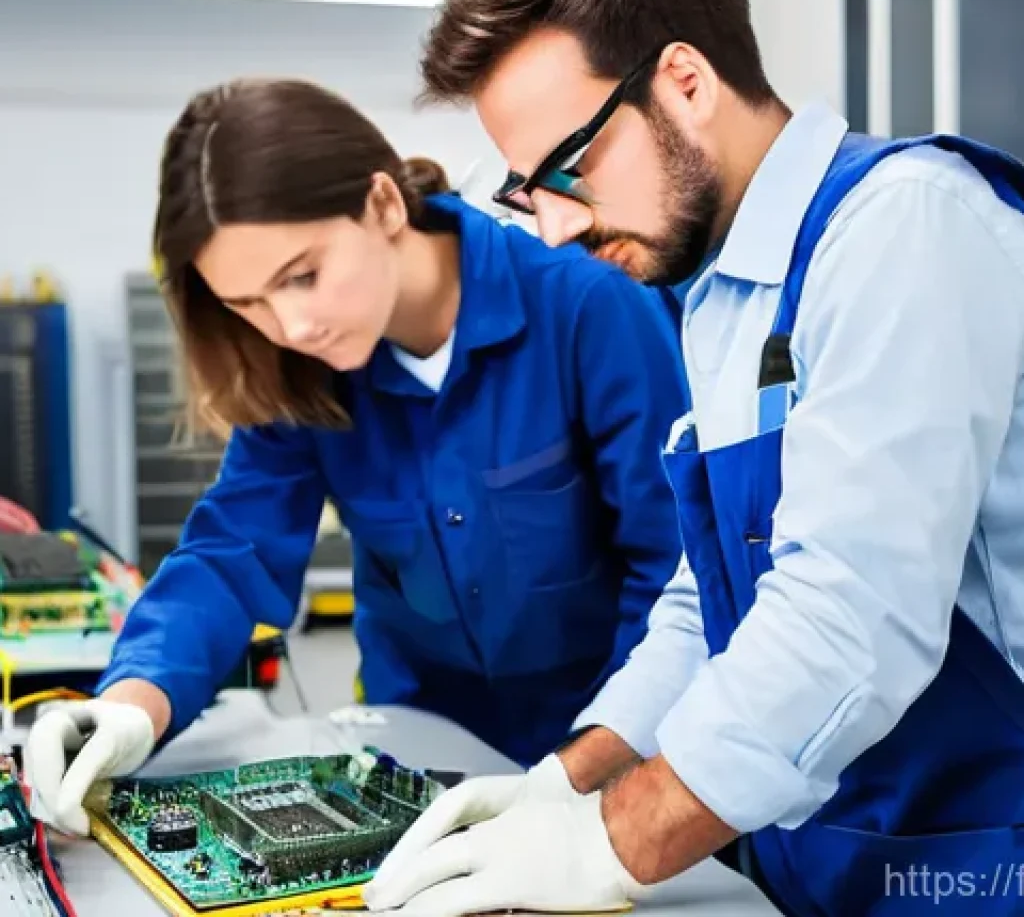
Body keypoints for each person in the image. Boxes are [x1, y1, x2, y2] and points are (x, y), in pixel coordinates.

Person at [363, 0, 1024, 917]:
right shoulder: (713, 299)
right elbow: (708, 602)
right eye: (525, 194)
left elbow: (847, 617)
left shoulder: (903, 228)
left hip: (985, 852)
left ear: (684, 81)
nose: (551, 231)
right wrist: (566, 781)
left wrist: (603, 847)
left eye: (569, 170)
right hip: (839, 850)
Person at [23, 77, 689, 838]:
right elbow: (232, 554)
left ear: (381, 205)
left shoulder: (587, 302)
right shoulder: (302, 367)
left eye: (302, 276)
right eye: (250, 305)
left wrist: (596, 773)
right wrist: (132, 705)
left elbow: (673, 570)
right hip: (415, 752)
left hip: (605, 747)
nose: (291, 326)